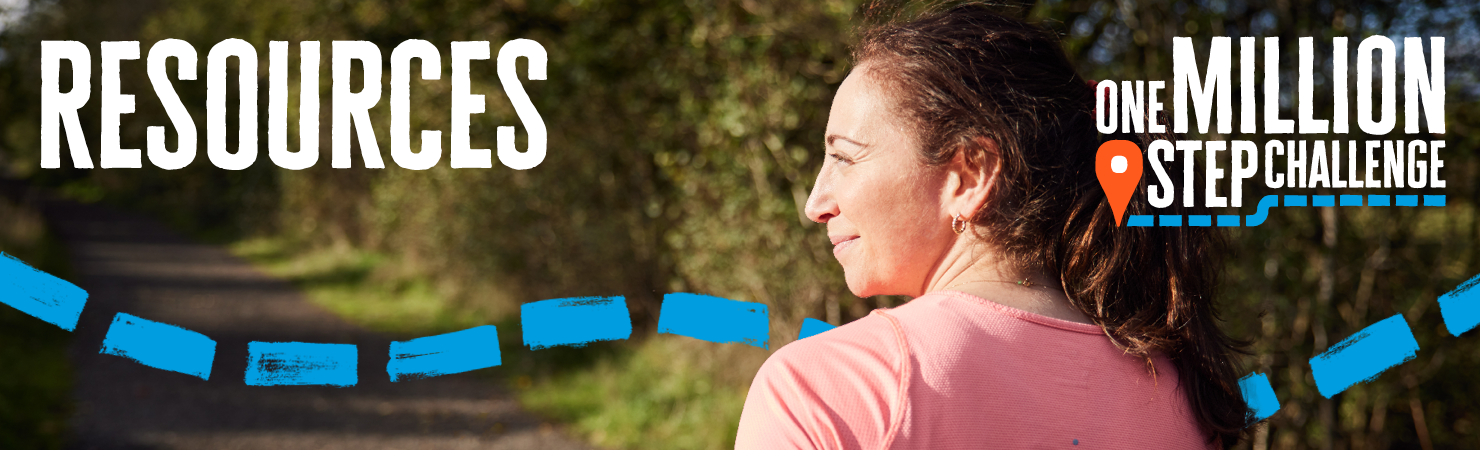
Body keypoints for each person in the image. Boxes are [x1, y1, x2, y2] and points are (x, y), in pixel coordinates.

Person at [735, 4, 1248, 449]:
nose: (815, 204)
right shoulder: (1183, 394)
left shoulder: (826, 389)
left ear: (970, 173)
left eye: (845, 158)